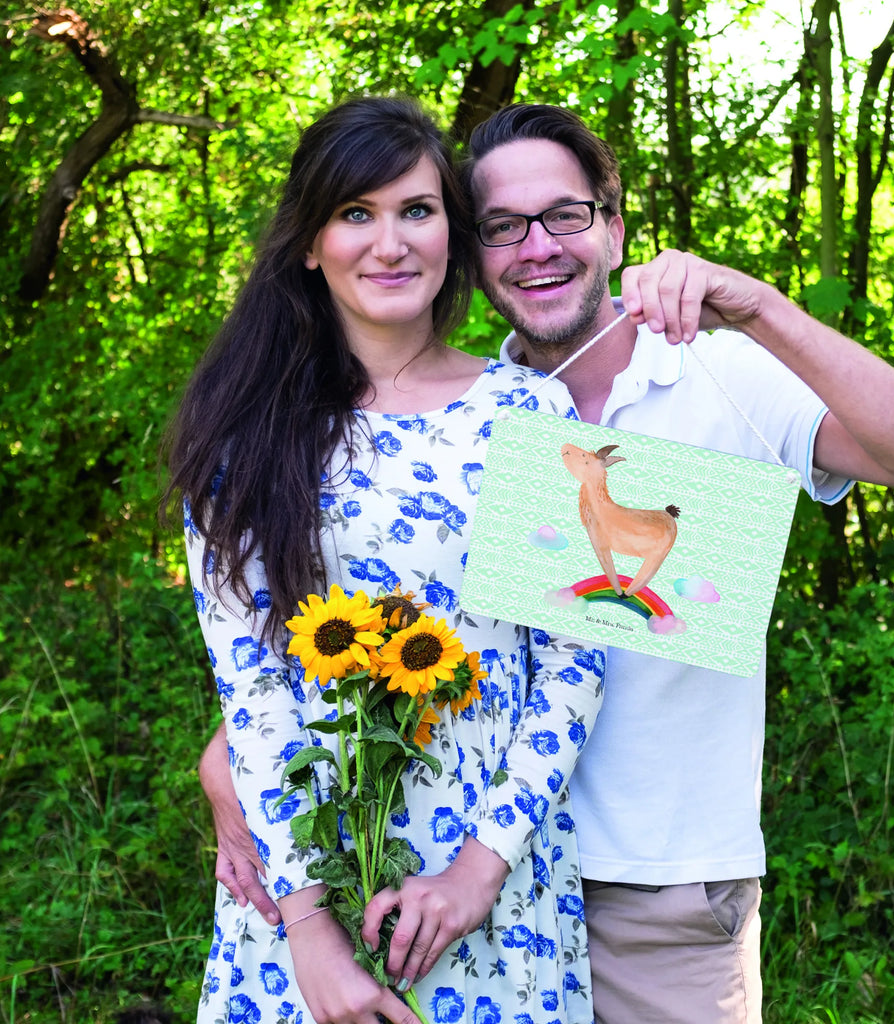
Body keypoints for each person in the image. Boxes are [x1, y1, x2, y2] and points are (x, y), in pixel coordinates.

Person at [201, 103, 894, 1024]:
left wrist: (759, 307)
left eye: (564, 216)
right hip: (444, 879)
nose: (537, 247)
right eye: (502, 227)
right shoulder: (457, 417)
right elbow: (345, 633)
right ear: (475, 251)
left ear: (612, 225)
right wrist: (234, 767)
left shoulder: (711, 373)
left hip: (656, 887)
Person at [165, 96, 607, 1024]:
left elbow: (575, 661)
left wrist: (478, 873)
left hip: (492, 887)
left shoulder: (529, 414)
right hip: (303, 888)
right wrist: (311, 936)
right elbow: (252, 690)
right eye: (355, 214)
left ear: (452, 229)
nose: (390, 242)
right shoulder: (245, 436)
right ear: (308, 243)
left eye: (417, 210)